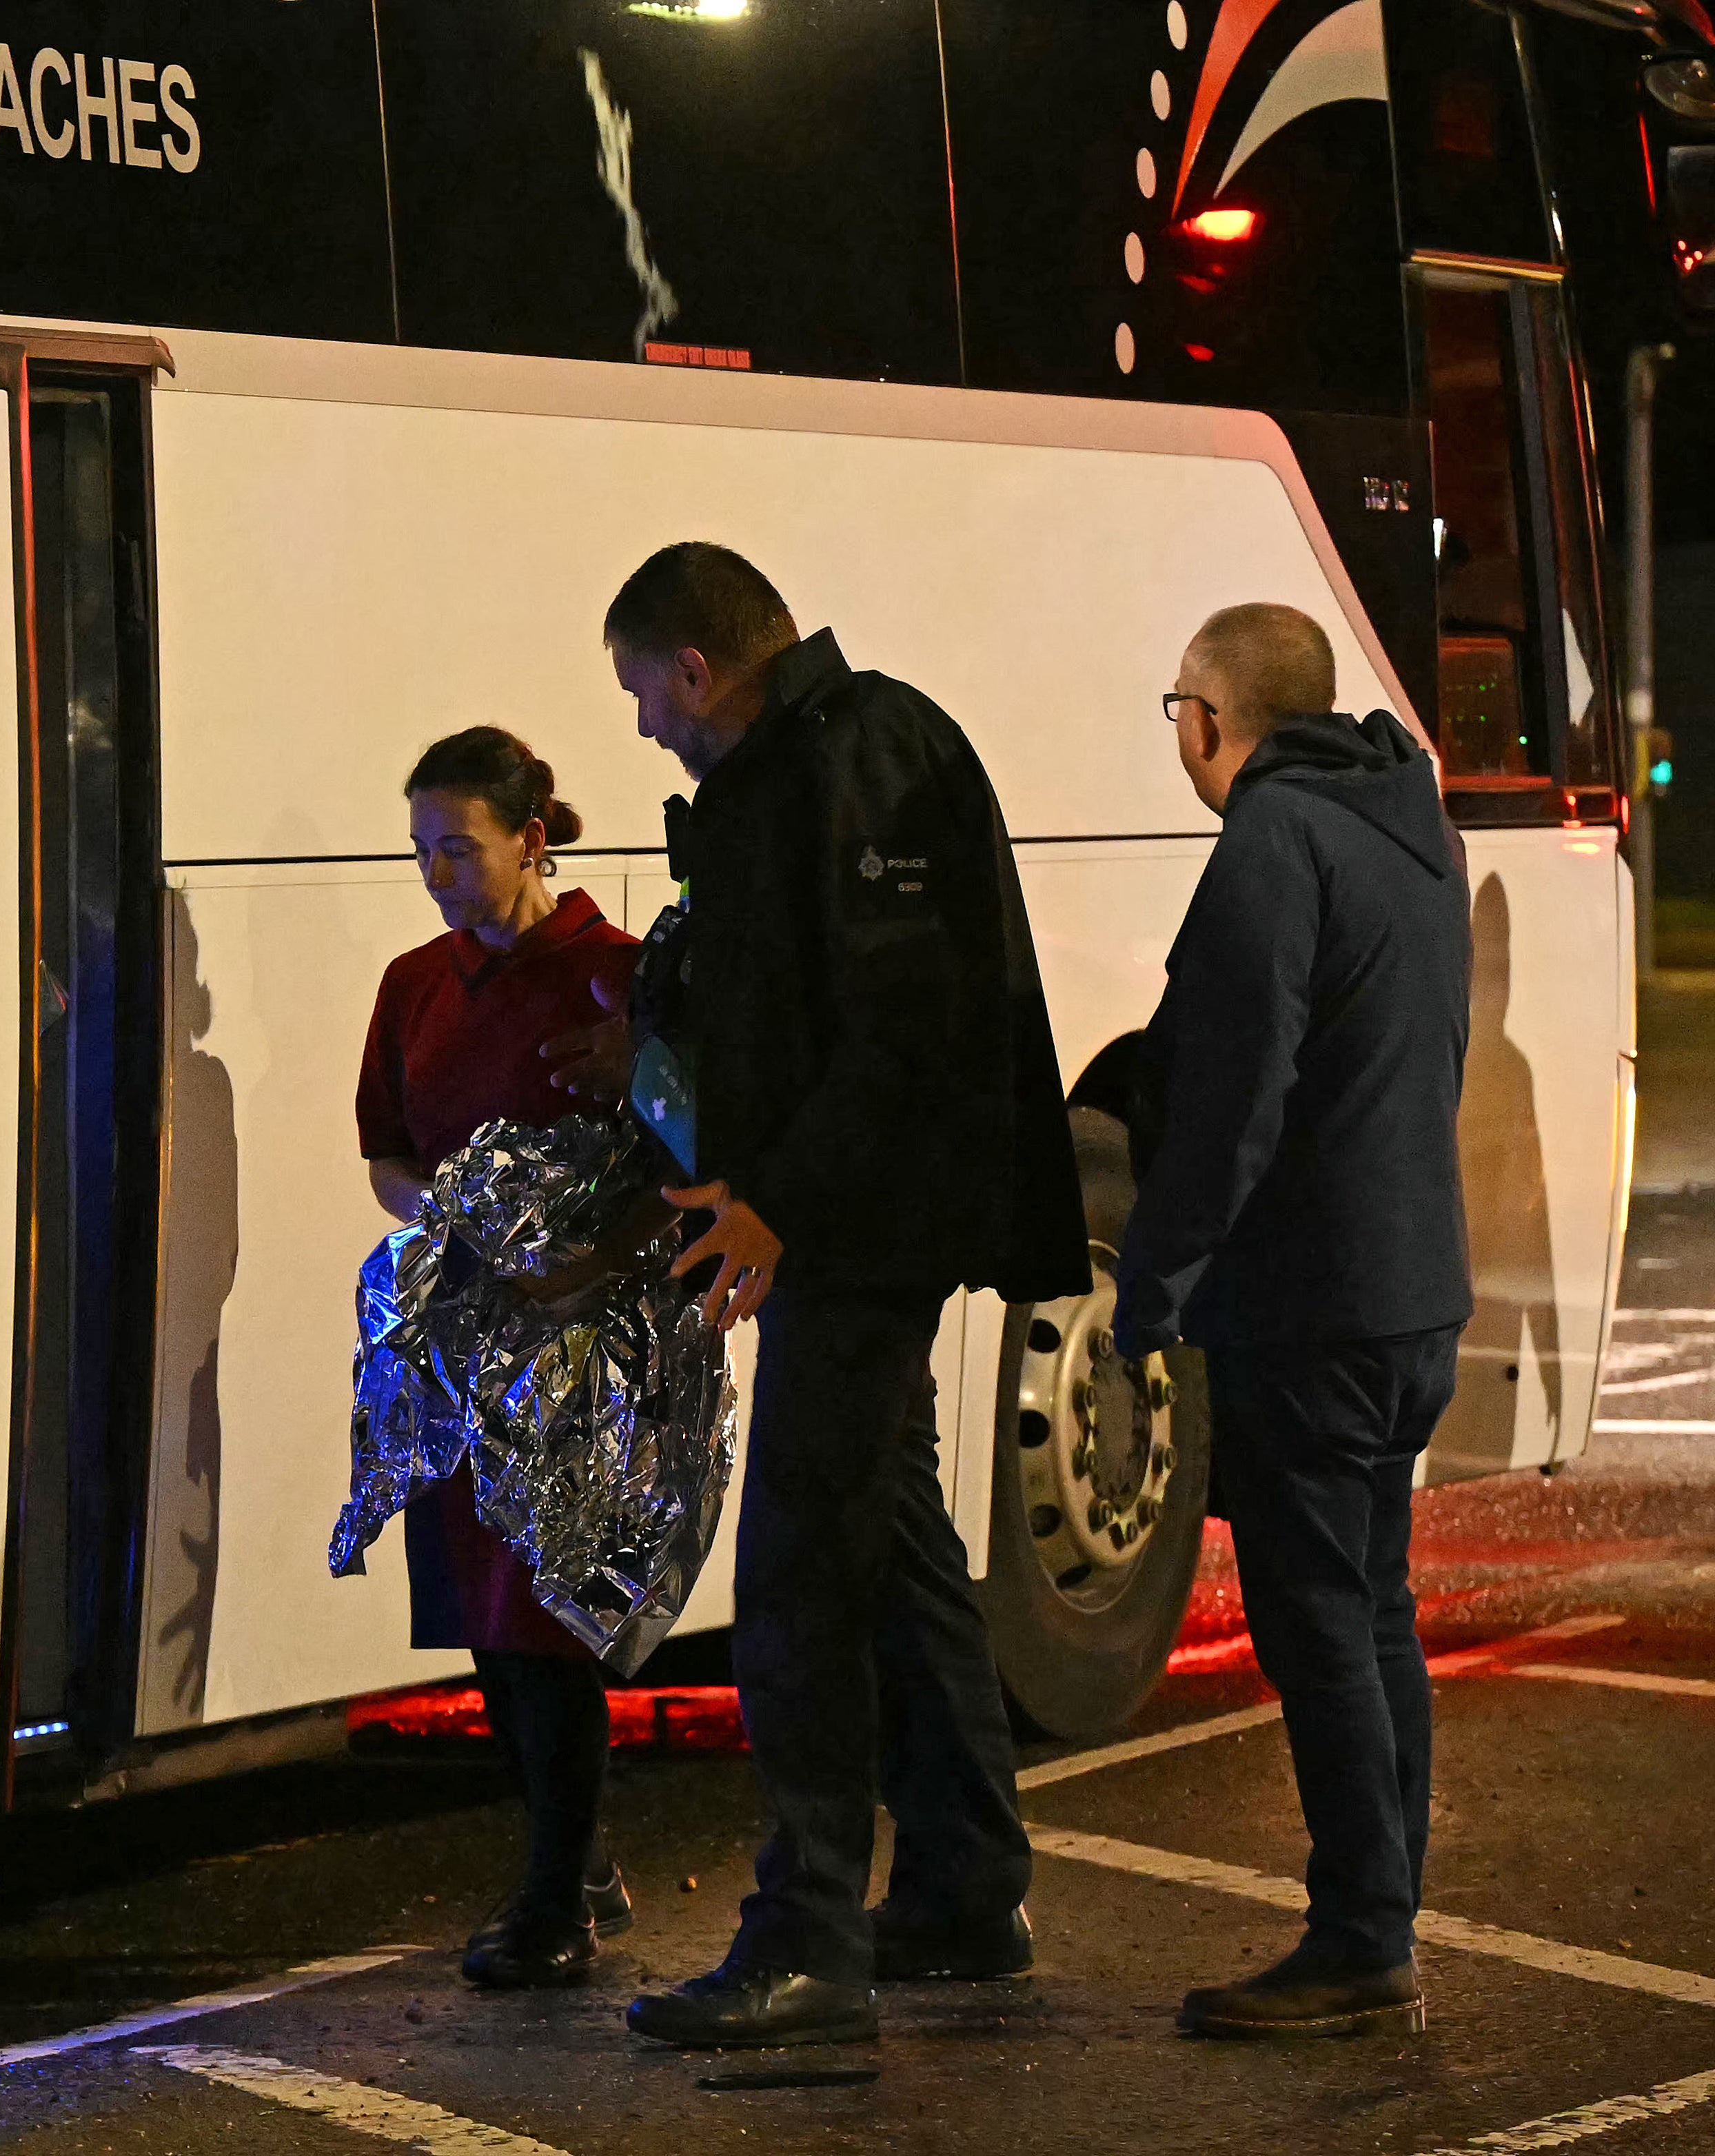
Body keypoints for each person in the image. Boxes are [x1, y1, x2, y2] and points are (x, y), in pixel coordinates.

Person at [562, 542, 1088, 2050]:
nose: (644, 728)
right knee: (896, 1535)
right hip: (850, 1223)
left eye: (641, 694)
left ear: (694, 667)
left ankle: (805, 1939)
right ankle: (964, 1890)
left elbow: (898, 1028)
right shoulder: (824, 758)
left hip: (863, 1235)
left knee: (797, 1571)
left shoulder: (850, 758)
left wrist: (776, 1199)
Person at [1112, 602, 1469, 2041]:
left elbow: (1230, 1096)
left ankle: (1359, 1935)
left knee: (1319, 1622)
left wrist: (1152, 1282)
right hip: (1407, 1290)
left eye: (1177, 712)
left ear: (1209, 717)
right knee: (1372, 1610)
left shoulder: (1270, 839)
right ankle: (1380, 1905)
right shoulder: (1403, 824)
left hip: (1309, 1301)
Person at [356, 725, 642, 1989]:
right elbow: (388, 1159)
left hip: (578, 1340)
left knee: (549, 1616)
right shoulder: (414, 983)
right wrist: (461, 1217)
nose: (438, 877)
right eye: (420, 852)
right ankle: (567, 1863)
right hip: (460, 1336)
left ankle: (555, 1899)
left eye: (458, 851)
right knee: (481, 1612)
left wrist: (580, 1257)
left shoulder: (617, 975)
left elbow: (673, 1154)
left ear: (531, 839)